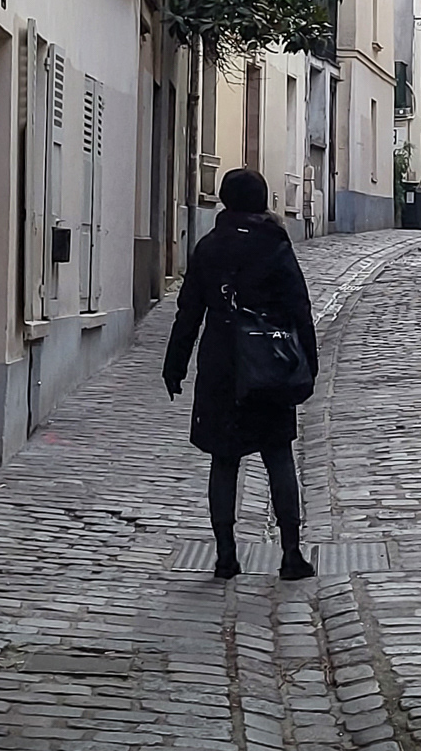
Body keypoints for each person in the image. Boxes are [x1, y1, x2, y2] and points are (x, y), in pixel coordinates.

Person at [162, 169, 319, 581]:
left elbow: (189, 312)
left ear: (224, 201)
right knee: (278, 455)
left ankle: (226, 556)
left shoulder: (209, 247)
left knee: (224, 459)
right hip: (269, 364)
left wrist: (175, 363)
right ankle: (291, 554)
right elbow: (299, 308)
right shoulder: (275, 246)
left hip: (222, 366)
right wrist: (308, 364)